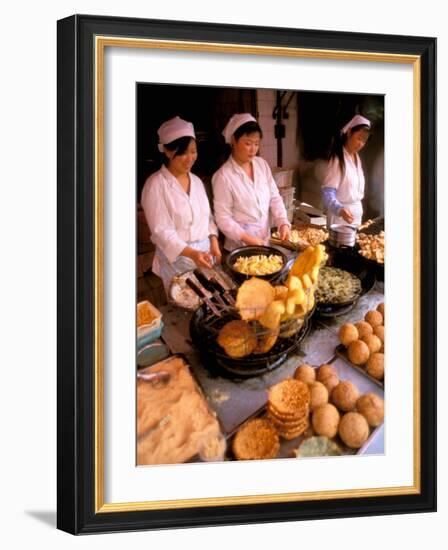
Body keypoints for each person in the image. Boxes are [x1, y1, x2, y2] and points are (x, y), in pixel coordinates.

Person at [141, 116, 221, 292]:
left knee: (208, 302)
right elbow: (162, 232)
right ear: (168, 152)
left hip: (204, 256)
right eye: (183, 152)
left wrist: (213, 241)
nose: (190, 158)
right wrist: (192, 254)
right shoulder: (155, 185)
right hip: (177, 259)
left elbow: (207, 218)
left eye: (193, 151)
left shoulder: (197, 182)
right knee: (183, 305)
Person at [212, 113, 291, 251]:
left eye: (257, 143)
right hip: (239, 248)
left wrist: (283, 222)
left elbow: (274, 197)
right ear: (233, 141)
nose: (253, 149)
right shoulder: (223, 176)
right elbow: (223, 218)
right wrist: (246, 238)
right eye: (248, 143)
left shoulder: (262, 165)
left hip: (264, 242)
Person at [320, 114, 371, 227]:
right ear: (349, 133)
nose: (361, 144)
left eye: (364, 141)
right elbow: (327, 193)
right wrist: (340, 209)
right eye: (359, 138)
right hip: (340, 220)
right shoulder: (338, 160)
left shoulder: (356, 158)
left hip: (356, 217)